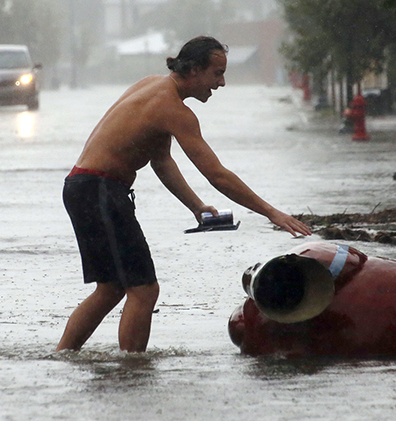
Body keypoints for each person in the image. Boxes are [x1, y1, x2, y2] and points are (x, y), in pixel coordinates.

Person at [57, 35, 312, 353]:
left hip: (82, 187)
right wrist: (273, 212)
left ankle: (62, 356)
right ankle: (133, 372)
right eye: (216, 74)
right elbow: (217, 175)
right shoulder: (173, 109)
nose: (221, 83)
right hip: (100, 191)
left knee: (111, 288)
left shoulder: (152, 86)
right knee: (144, 290)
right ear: (193, 70)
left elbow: (160, 160)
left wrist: (196, 206)